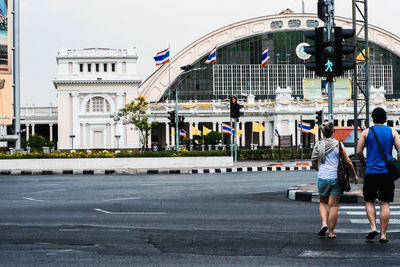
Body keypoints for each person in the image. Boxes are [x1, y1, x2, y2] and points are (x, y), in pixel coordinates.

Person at [356, 107, 400, 243]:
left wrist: (364, 163)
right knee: (384, 203)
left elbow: (358, 151)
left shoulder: (366, 132)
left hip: (371, 172)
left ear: (373, 118)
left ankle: (373, 227)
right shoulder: (392, 131)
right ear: (385, 118)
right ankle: (383, 235)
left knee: (369, 201)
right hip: (387, 173)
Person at [312, 122, 358, 238]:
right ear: (333, 132)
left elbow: (313, 162)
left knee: (323, 202)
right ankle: (331, 232)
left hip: (322, 177)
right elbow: (347, 161)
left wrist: (319, 169)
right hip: (336, 178)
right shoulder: (338, 144)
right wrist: (354, 175)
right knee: (333, 206)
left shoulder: (318, 145)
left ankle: (323, 223)